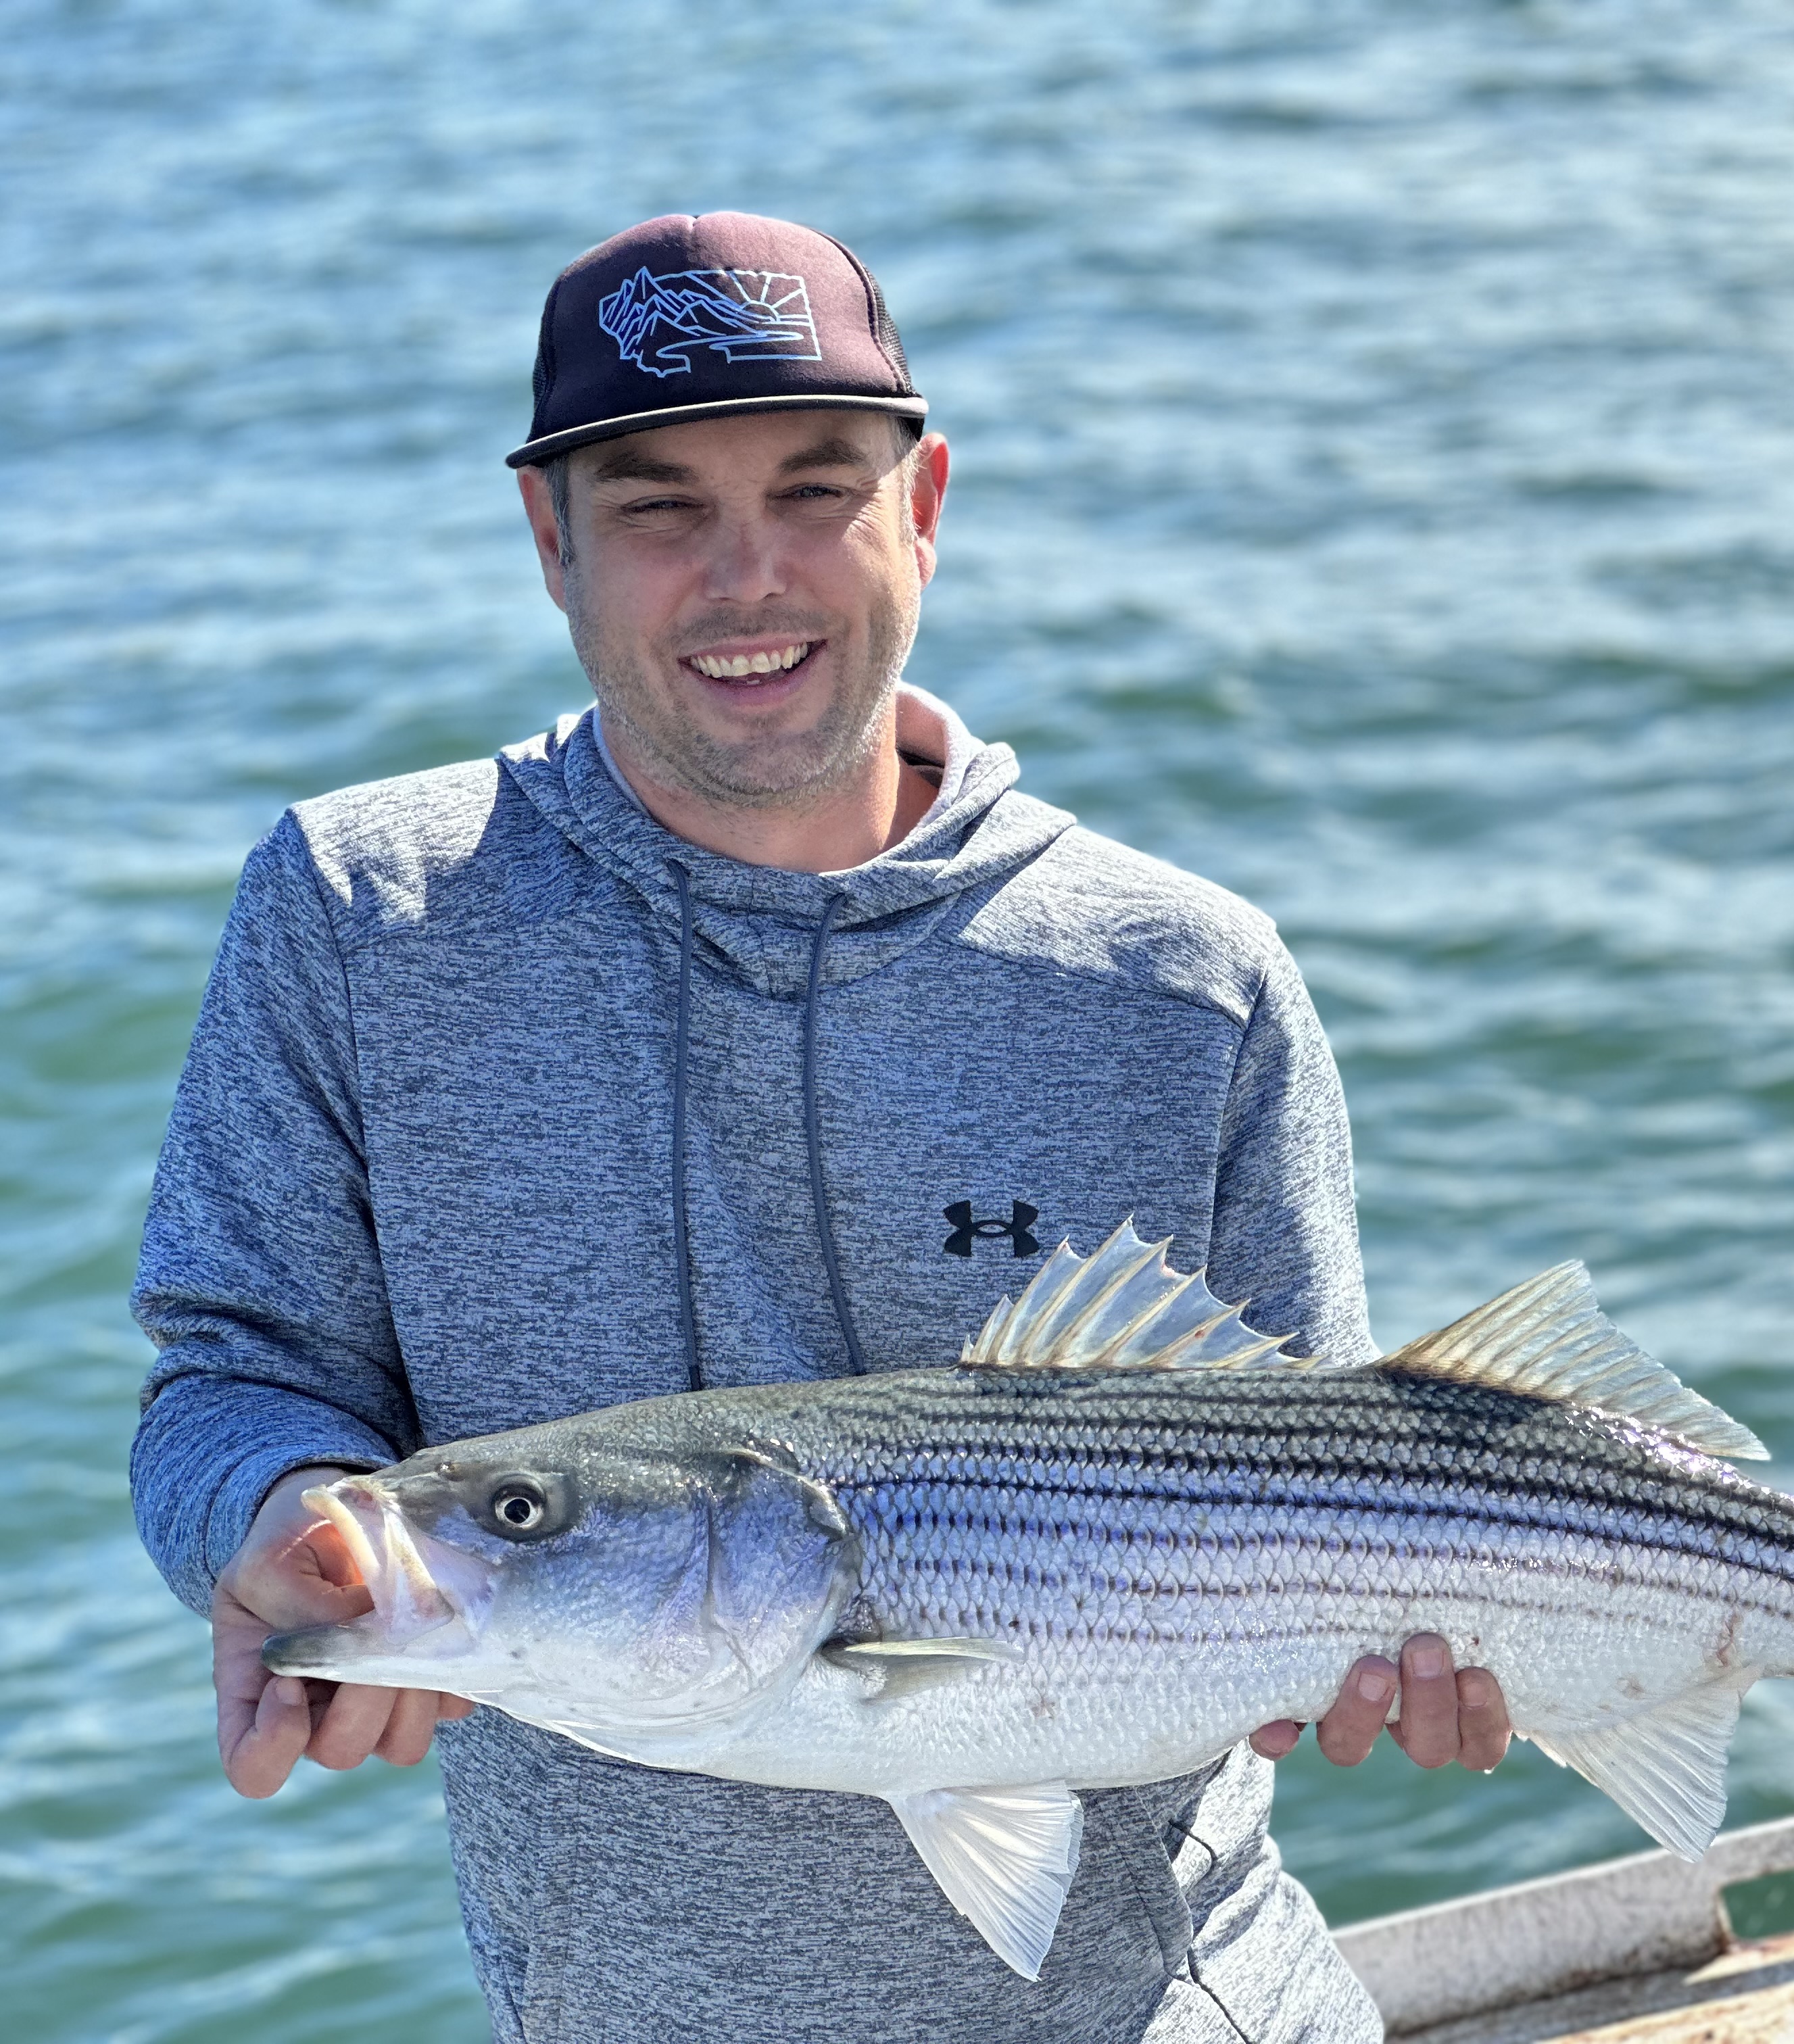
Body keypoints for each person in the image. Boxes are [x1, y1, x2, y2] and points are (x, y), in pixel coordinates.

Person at [130, 211, 1508, 2044]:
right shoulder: (359, 917)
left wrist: (1418, 1660)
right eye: (658, 509)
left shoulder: (1193, 978)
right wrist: (276, 1515)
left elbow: (1323, 1480)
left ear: (922, 503)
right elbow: (227, 1374)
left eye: (813, 490)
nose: (748, 579)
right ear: (548, 538)